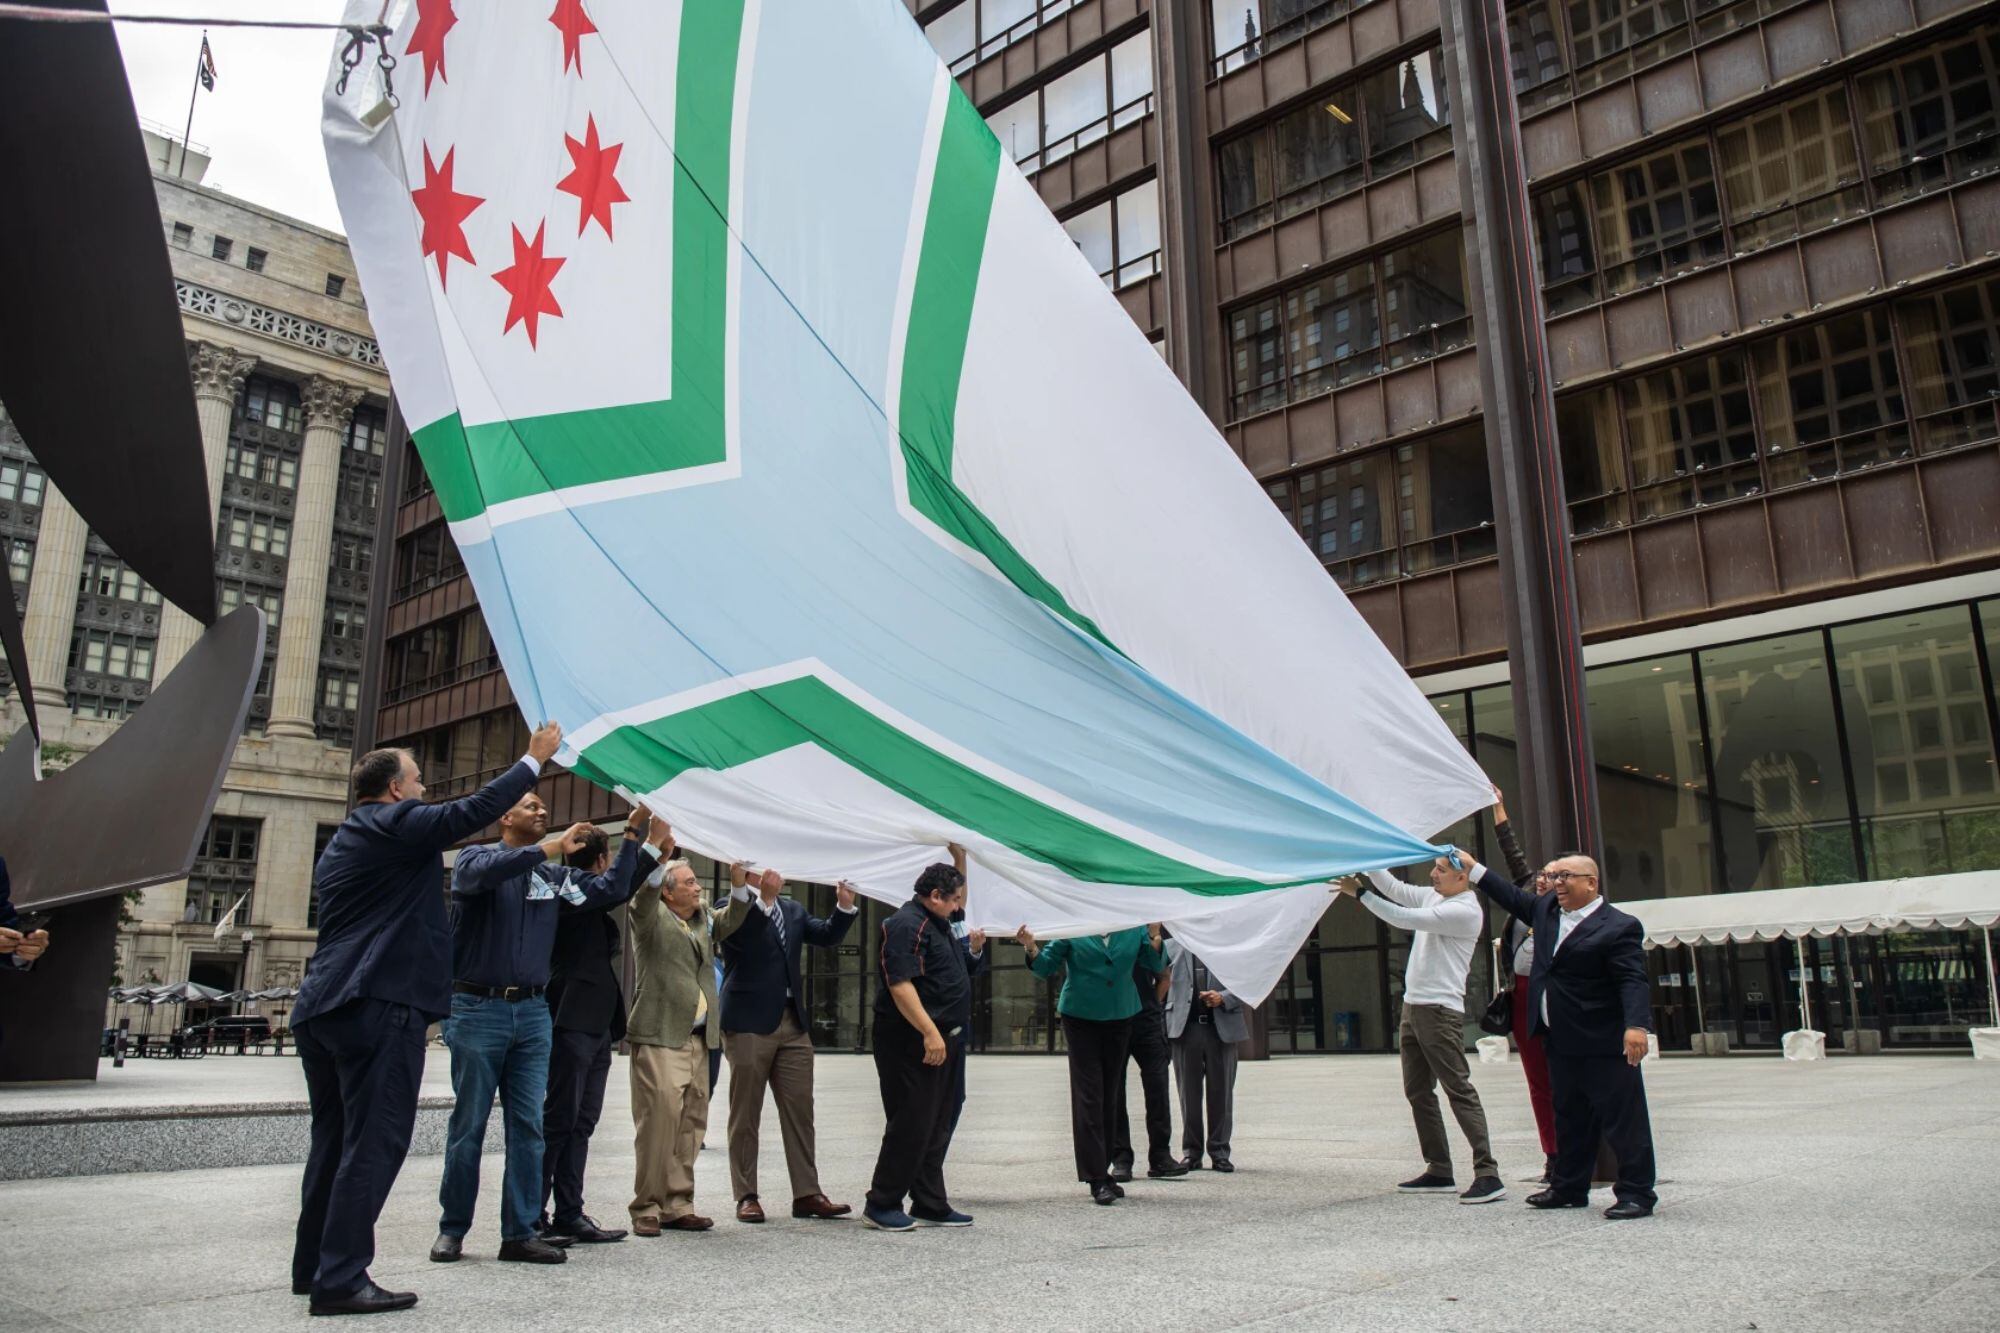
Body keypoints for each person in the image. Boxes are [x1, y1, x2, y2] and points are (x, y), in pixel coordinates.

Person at [290, 722, 559, 1317]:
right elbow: (469, 813)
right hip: (378, 1004)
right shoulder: (393, 824)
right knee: (376, 1141)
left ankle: (314, 1267)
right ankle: (341, 1279)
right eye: (416, 782)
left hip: (322, 1006)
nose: (422, 791)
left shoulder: (345, 842)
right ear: (391, 790)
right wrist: (533, 760)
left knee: (334, 1142)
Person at [429, 800, 652, 1265]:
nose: (542, 808)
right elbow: (481, 876)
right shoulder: (475, 859)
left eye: (543, 805)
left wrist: (632, 836)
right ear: (504, 819)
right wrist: (551, 847)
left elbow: (610, 887)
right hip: (477, 1008)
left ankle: (520, 1231)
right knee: (469, 1124)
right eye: (529, 805)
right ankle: (453, 1228)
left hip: (532, 1011)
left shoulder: (555, 880)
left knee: (529, 1125)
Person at [1469, 851, 1658, 1219]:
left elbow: (1632, 979)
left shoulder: (1619, 925)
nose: (1557, 883)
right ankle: (1569, 1186)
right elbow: (1508, 894)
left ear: (1591, 882)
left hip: (1602, 1040)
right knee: (1569, 1116)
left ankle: (1636, 1192)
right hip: (1558, 1038)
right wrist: (1472, 866)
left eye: (1565, 876)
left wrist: (1637, 1026)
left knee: (1623, 1119)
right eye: (1553, 877)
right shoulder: (1548, 913)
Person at [1334, 858, 1505, 1204]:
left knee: (1458, 1088)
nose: (1433, 874)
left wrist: (1360, 894)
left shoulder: (1465, 910)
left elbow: (1403, 917)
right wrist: (1371, 859)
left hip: (1439, 1011)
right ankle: (1439, 1168)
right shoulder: (1436, 897)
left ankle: (1488, 1173)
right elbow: (1395, 890)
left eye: (1441, 870)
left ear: (1463, 876)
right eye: (1435, 868)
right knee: (1418, 1091)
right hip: (1413, 1007)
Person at [713, 863, 858, 1224]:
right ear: (748, 873)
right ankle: (746, 1195)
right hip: (748, 1021)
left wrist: (843, 907)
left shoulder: (792, 910)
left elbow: (826, 935)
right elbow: (742, 940)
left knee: (800, 1111)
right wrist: (763, 900)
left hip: (793, 1023)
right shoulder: (730, 906)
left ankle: (807, 1193)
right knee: (745, 1112)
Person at [538, 825, 654, 1246]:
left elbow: (618, 886)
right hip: (570, 1022)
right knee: (559, 1121)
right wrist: (639, 837)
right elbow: (615, 888)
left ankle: (570, 1212)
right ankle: (535, 1214)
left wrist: (652, 849)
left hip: (596, 1026)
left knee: (582, 1122)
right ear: (602, 860)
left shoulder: (590, 888)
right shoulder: (565, 886)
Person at [625, 818, 727, 1234]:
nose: (697, 887)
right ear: (668, 891)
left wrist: (741, 886)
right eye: (687, 882)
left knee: (691, 1121)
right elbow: (642, 900)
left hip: (700, 1038)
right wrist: (656, 857)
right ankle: (646, 1207)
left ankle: (678, 1202)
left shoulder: (703, 920)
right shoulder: (650, 917)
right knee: (660, 1121)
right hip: (661, 1035)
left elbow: (733, 919)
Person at [1017, 922, 1167, 1205]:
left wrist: (1154, 934)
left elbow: (1153, 962)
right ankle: (1096, 1177)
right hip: (1081, 1018)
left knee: (1111, 1095)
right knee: (1089, 1096)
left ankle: (1106, 1170)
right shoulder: (1074, 926)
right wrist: (1031, 946)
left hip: (1121, 1015)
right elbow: (1045, 966)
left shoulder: (1131, 927)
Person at [863, 860, 976, 1231]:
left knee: (939, 1120)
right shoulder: (905, 925)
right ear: (934, 896)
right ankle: (882, 1202)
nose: (959, 906)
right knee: (911, 1120)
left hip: (948, 1042)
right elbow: (900, 984)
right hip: (911, 1042)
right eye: (955, 899)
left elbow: (957, 902)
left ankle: (928, 1201)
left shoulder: (940, 923)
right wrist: (929, 1031)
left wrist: (960, 859)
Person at [1488, 790, 1554, 1181]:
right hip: (1520, 995)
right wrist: (1497, 807)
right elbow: (1512, 851)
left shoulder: (1567, 911)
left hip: (1555, 998)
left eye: (1557, 875)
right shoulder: (1527, 892)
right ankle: (1553, 1154)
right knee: (1538, 1082)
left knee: (1564, 1080)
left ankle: (1575, 1150)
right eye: (1544, 874)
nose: (1546, 879)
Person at [1162, 935, 1245, 1172]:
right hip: (1185, 1029)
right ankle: (1192, 1152)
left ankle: (1219, 1152)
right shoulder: (1169, 948)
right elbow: (1159, 983)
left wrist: (1224, 997)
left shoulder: (1230, 944)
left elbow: (1249, 983)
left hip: (1221, 1028)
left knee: (1222, 1093)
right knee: (1188, 1095)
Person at [1109, 940, 1185, 1183]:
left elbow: (1165, 977)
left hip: (1147, 1020)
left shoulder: (1145, 937)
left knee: (1158, 1086)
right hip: (1114, 1018)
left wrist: (1150, 1004)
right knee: (1114, 1092)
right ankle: (1121, 1159)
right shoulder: (1109, 935)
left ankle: (1161, 1156)